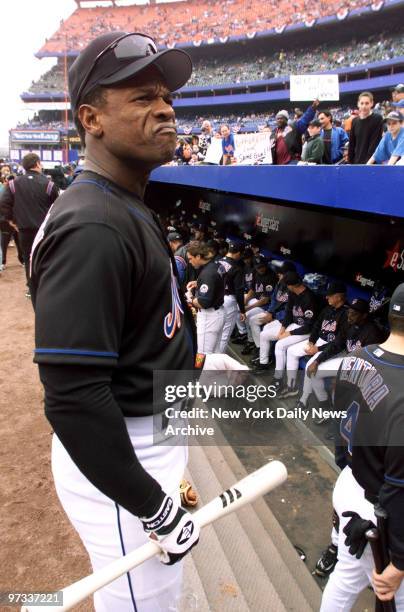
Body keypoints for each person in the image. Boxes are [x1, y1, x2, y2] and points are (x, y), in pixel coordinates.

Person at [29, 31, 244, 612]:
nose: (166, 108)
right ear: (91, 118)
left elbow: (137, 336)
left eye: (167, 96)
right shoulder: (94, 226)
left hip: (151, 432)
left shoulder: (124, 202)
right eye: (143, 97)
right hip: (126, 456)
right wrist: (154, 506)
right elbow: (72, 398)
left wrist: (193, 361)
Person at [320, 283, 404, 611]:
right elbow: (398, 488)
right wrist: (399, 560)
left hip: (351, 485)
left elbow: (338, 425)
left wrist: (350, 467)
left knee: (347, 574)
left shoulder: (357, 358)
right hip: (382, 511)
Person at [0, 153, 59, 295]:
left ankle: (32, 289)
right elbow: (57, 205)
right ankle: (46, 288)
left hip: (24, 229)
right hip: (44, 229)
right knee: (47, 256)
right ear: (38, 164)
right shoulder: (49, 184)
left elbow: (3, 203)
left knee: (29, 258)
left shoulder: (14, 184)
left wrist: (11, 221)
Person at [293, 282, 347, 409]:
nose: (327, 298)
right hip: (318, 342)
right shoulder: (327, 308)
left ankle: (304, 399)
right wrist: (312, 341)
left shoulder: (346, 314)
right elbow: (317, 325)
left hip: (333, 348)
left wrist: (318, 348)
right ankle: (296, 391)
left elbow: (339, 342)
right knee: (292, 352)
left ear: (339, 297)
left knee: (309, 367)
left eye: (330, 295)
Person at [271, 271, 319, 395]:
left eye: (287, 285)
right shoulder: (293, 293)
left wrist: (289, 333)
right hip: (296, 325)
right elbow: (288, 313)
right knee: (280, 342)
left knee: (281, 345)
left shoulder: (309, 298)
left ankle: (282, 381)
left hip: (307, 330)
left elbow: (309, 326)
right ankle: (279, 379)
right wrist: (283, 328)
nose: (287, 287)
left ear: (291, 285)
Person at [251, 261, 296, 373]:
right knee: (262, 326)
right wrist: (270, 313)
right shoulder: (280, 283)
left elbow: (290, 311)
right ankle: (264, 354)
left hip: (288, 321)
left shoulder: (293, 288)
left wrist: (275, 316)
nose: (278, 276)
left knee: (265, 333)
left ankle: (264, 362)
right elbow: (274, 300)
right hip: (277, 316)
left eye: (281, 274)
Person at [187, 240, 225, 353]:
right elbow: (216, 282)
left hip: (210, 316)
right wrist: (199, 283)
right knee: (215, 354)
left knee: (204, 356)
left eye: (190, 258)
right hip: (219, 312)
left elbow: (203, 303)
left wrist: (190, 298)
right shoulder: (217, 263)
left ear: (198, 256)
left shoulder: (207, 274)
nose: (189, 262)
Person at [241, 256, 277, 356]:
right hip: (257, 300)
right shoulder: (256, 272)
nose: (260, 269)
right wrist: (245, 301)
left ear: (265, 265)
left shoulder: (271, 277)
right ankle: (250, 340)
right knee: (243, 310)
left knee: (249, 317)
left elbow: (265, 300)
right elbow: (252, 289)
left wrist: (248, 307)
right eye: (258, 267)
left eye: (261, 267)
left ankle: (258, 347)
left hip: (266, 306)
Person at [271, 100, 319, 165]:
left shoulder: (294, 127)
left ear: (286, 119)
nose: (279, 120)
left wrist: (313, 108)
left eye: (281, 118)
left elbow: (305, 119)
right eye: (277, 118)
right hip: (278, 165)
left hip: (291, 162)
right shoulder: (274, 132)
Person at [218, 241, 246, 352]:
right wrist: (242, 310)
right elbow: (239, 291)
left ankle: (210, 359)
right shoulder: (237, 267)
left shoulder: (217, 261)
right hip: (228, 299)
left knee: (216, 331)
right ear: (238, 253)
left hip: (215, 297)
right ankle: (218, 362)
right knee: (224, 334)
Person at [348, 92, 384, 164]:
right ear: (358, 104)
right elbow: (352, 144)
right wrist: (351, 162)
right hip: (357, 162)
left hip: (372, 162)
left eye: (367, 103)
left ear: (372, 103)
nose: (364, 106)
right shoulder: (354, 121)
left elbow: (375, 143)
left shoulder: (377, 119)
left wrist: (368, 163)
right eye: (362, 103)